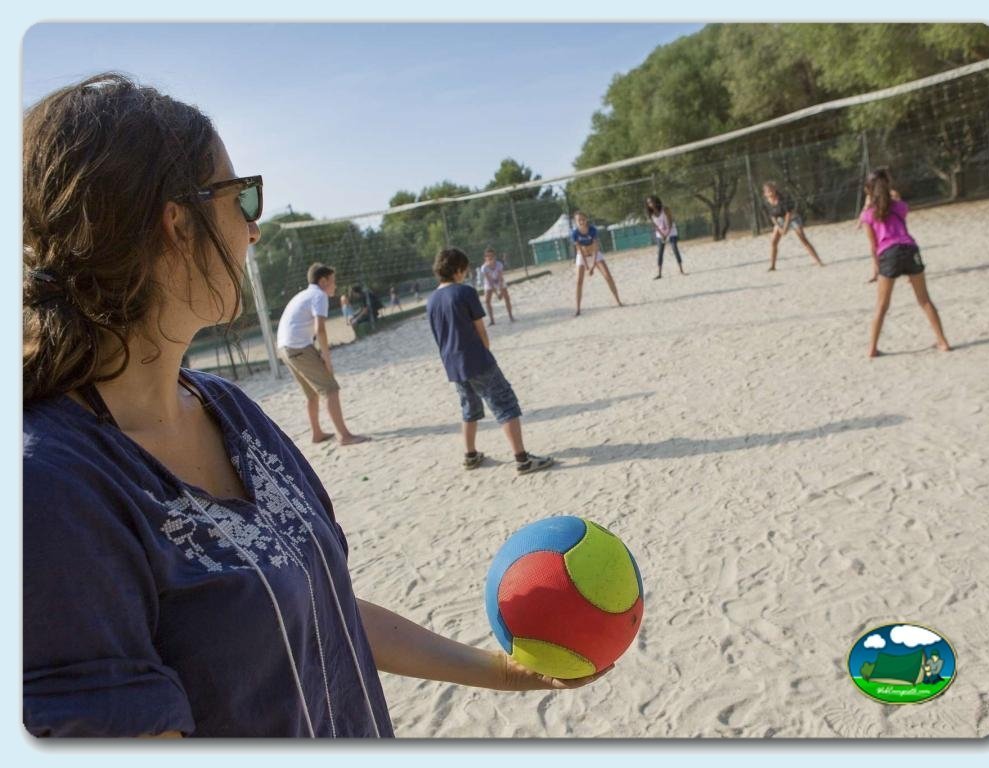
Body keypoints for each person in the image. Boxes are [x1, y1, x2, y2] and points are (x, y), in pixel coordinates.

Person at [22, 73, 600, 739]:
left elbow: (320, 607)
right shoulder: (52, 491)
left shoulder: (231, 412)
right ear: (176, 224)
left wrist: (502, 671)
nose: (254, 230)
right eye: (244, 199)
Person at [426, 248, 553, 474]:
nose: (465, 275)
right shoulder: (465, 292)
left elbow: (439, 336)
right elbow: (480, 331)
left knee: (469, 407)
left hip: (453, 364)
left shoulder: (431, 300)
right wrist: (485, 350)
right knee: (505, 404)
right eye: (464, 271)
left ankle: (470, 455)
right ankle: (522, 459)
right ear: (457, 270)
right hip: (476, 359)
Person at [859, 167, 951, 358]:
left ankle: (872, 349)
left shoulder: (868, 215)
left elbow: (873, 245)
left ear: (868, 191)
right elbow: (898, 210)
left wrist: (876, 268)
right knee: (924, 300)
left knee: (882, 306)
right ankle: (942, 341)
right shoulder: (899, 206)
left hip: (888, 254)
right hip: (910, 249)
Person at [277, 263, 369, 446]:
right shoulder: (319, 295)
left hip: (283, 348)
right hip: (298, 347)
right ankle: (344, 436)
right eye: (333, 281)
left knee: (312, 394)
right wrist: (327, 358)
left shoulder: (303, 295)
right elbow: (320, 330)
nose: (335, 285)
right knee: (331, 389)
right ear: (323, 280)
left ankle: (317, 434)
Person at [570, 211, 624, 316]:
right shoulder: (575, 233)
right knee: (578, 282)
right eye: (578, 220)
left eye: (583, 219)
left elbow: (595, 247)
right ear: (575, 222)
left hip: (595, 254)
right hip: (582, 257)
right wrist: (586, 266)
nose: (581, 221)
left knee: (608, 276)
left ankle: (618, 301)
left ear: (586, 219)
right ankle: (577, 309)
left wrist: (593, 266)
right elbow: (579, 249)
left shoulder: (592, 230)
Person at [761, 182, 823, 270]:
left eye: (772, 190)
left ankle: (818, 261)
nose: (770, 192)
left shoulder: (783, 199)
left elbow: (788, 214)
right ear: (765, 193)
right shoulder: (766, 203)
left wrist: (785, 228)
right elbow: (772, 217)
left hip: (793, 218)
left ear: (775, 189)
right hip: (780, 220)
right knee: (773, 242)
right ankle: (772, 266)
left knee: (803, 238)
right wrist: (779, 227)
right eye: (768, 191)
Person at [644, 196, 685, 279]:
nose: (651, 204)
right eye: (648, 203)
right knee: (660, 252)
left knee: (674, 249)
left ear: (656, 201)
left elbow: (670, 222)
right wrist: (662, 235)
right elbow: (655, 226)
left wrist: (666, 234)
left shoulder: (665, 209)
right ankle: (659, 273)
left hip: (671, 231)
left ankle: (681, 270)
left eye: (652, 202)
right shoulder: (650, 214)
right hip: (660, 234)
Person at [480, 247, 514, 324]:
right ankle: (492, 320)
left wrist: (501, 292)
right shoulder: (484, 267)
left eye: (491, 255)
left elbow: (501, 279)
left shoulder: (499, 264)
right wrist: (496, 294)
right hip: (489, 283)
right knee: (487, 301)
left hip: (499, 281)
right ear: (485, 258)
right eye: (487, 256)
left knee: (507, 298)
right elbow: (490, 282)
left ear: (494, 256)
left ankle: (511, 316)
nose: (489, 257)